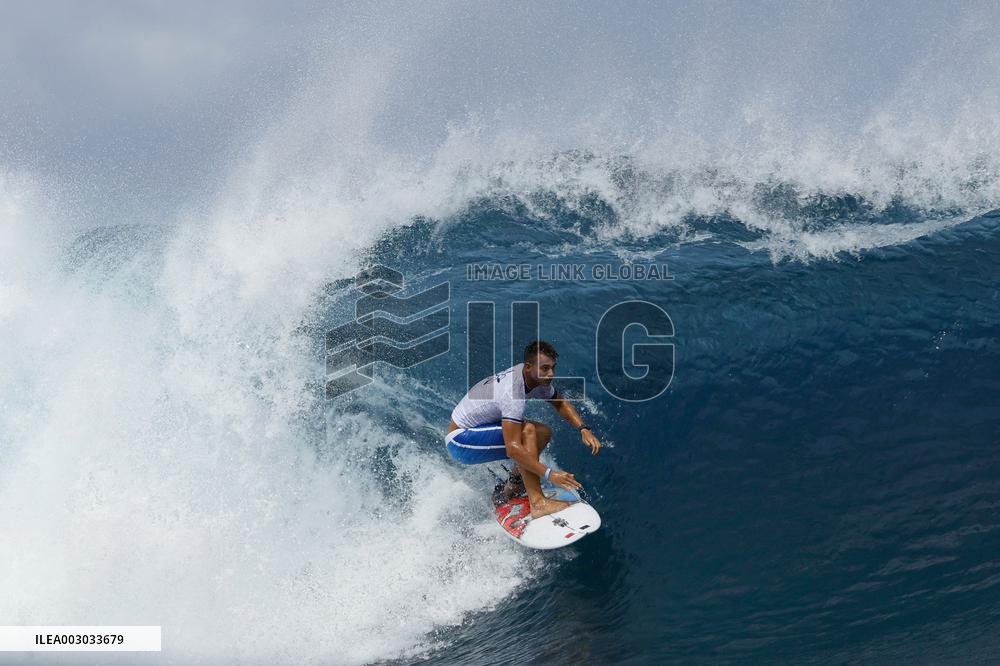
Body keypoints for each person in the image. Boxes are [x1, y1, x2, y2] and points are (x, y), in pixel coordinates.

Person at [445, 340, 602, 518]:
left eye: (552, 368)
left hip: (477, 430)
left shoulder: (533, 377)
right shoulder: (513, 392)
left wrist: (583, 429)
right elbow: (513, 449)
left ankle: (514, 485)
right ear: (528, 367)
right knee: (527, 430)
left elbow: (559, 403)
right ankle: (538, 503)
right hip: (460, 442)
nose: (550, 374)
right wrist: (550, 474)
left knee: (543, 433)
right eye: (545, 369)